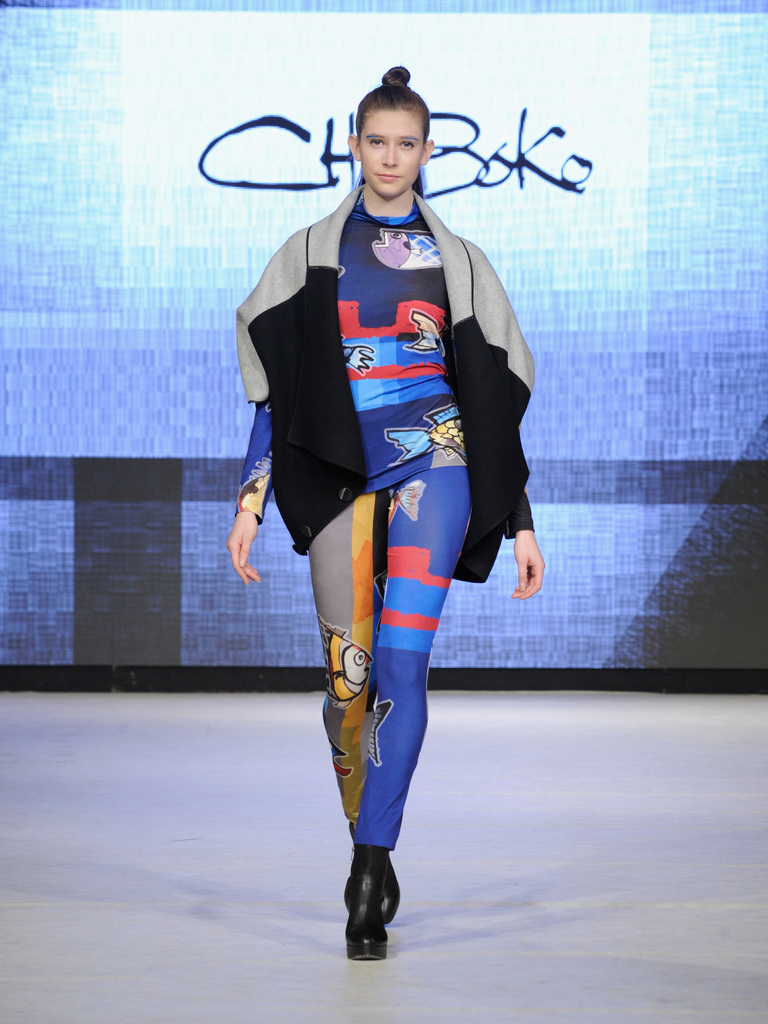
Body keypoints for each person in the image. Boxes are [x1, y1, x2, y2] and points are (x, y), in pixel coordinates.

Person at [227, 67, 545, 960]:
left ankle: (371, 864)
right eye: (378, 141)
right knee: (348, 686)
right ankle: (367, 818)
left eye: (408, 144)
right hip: (337, 471)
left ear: (427, 151)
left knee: (403, 666)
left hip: (438, 465)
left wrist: (519, 519)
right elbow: (279, 396)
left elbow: (490, 406)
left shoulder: (460, 262)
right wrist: (250, 500)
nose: (392, 158)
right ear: (356, 145)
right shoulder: (309, 254)